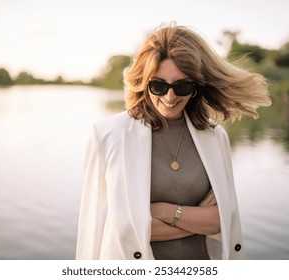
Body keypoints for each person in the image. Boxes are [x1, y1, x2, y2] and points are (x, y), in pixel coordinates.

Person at [76, 24, 271, 260]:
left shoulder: (215, 137)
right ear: (144, 83)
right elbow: (118, 228)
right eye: (158, 85)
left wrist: (162, 212)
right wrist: (196, 217)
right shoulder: (107, 135)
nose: (170, 97)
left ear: (196, 86)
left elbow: (221, 221)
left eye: (182, 86)